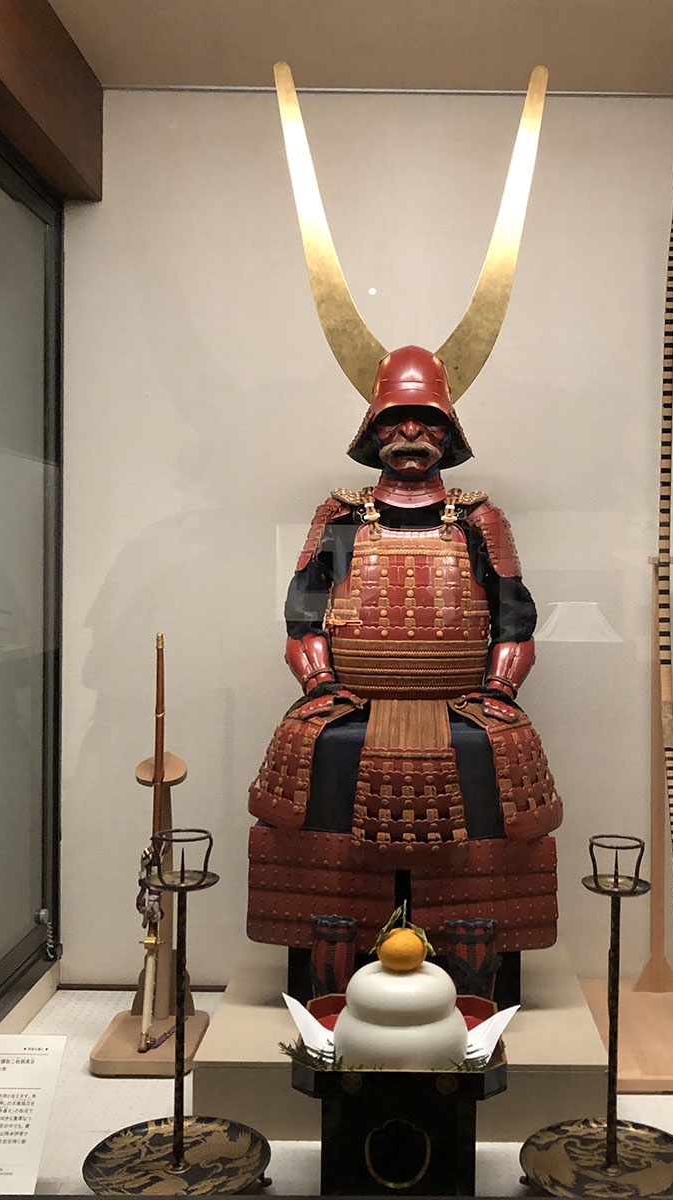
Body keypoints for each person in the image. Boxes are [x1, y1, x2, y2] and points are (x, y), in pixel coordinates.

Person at [247, 345, 562, 980]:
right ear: (373, 428)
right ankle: (328, 942)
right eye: (396, 418)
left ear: (448, 431)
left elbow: (515, 619)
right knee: (307, 745)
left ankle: (478, 946)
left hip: (464, 702)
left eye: (427, 419)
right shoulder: (341, 519)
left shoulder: (478, 520)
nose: (411, 432)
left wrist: (500, 689)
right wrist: (319, 682)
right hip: (348, 698)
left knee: (506, 751)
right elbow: (302, 616)